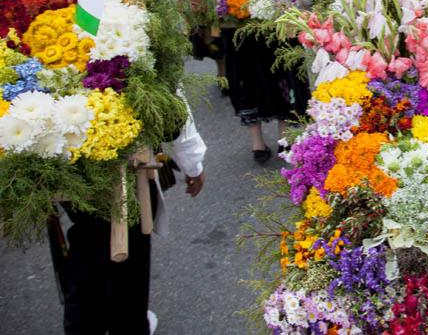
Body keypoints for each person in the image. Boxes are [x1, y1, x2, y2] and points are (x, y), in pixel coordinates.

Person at [52, 105, 207, 335]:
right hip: (120, 165)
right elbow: (171, 101)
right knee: (127, 254)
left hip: (72, 164)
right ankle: (124, 320)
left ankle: (92, 319)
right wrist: (193, 164)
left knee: (88, 241)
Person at [222, 28, 311, 162]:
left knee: (247, 77)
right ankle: (285, 139)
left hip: (242, 26)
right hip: (273, 25)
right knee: (284, 72)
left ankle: (258, 144)